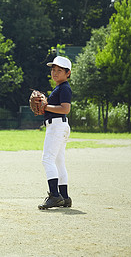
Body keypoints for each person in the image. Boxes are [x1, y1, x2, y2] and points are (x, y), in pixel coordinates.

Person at [38, 56, 73, 210]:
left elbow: (65, 109)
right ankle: (64, 197)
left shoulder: (64, 87)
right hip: (60, 126)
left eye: (60, 70)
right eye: (53, 69)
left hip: (57, 126)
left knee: (47, 160)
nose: (55, 72)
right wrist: (47, 105)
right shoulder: (60, 87)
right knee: (58, 162)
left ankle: (55, 196)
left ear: (68, 73)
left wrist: (46, 106)